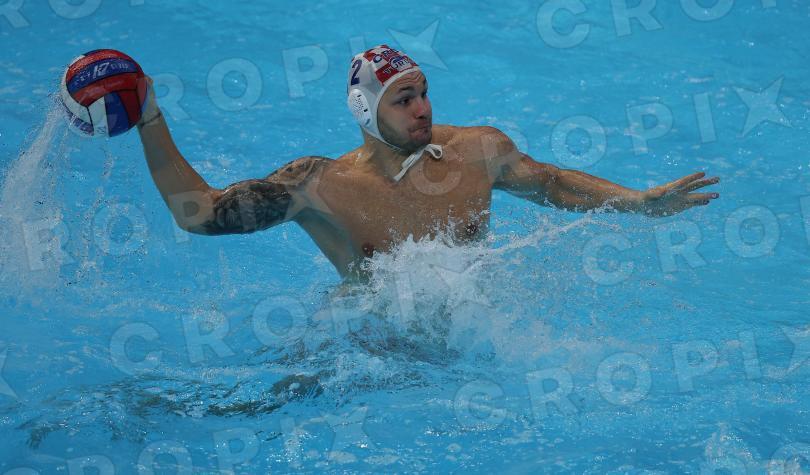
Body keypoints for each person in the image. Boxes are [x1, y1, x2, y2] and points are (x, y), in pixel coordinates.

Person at [136, 44, 719, 278]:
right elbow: (200, 215)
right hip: (365, 350)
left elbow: (551, 184)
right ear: (366, 111)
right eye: (403, 99)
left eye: (423, 93)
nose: (422, 109)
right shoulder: (319, 184)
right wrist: (150, 121)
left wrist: (638, 202)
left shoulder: (477, 149)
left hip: (466, 347)